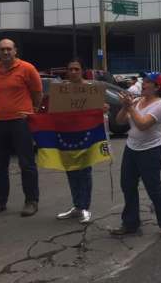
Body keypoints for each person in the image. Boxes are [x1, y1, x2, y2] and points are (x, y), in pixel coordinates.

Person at [111, 72, 161, 237]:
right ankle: (130, 223)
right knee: (127, 185)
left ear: (157, 87)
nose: (143, 84)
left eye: (147, 82)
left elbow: (143, 125)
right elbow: (119, 121)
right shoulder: (138, 101)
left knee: (153, 187)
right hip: (132, 148)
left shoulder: (160, 105)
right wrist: (125, 106)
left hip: (151, 150)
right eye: (143, 81)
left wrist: (130, 107)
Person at [0, 39, 42, 216]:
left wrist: (31, 112)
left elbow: (37, 93)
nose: (6, 52)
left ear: (15, 51)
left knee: (26, 163)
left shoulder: (27, 68)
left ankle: (31, 201)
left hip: (21, 122)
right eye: (2, 49)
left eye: (9, 49)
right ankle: (0, 201)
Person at [56, 58, 104, 224]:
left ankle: (84, 207)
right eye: (71, 69)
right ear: (67, 72)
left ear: (82, 70)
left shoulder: (91, 89)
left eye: (77, 69)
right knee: (71, 171)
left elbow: (100, 108)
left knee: (84, 172)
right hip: (67, 137)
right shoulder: (61, 90)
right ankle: (76, 206)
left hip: (86, 137)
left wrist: (103, 108)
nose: (74, 72)